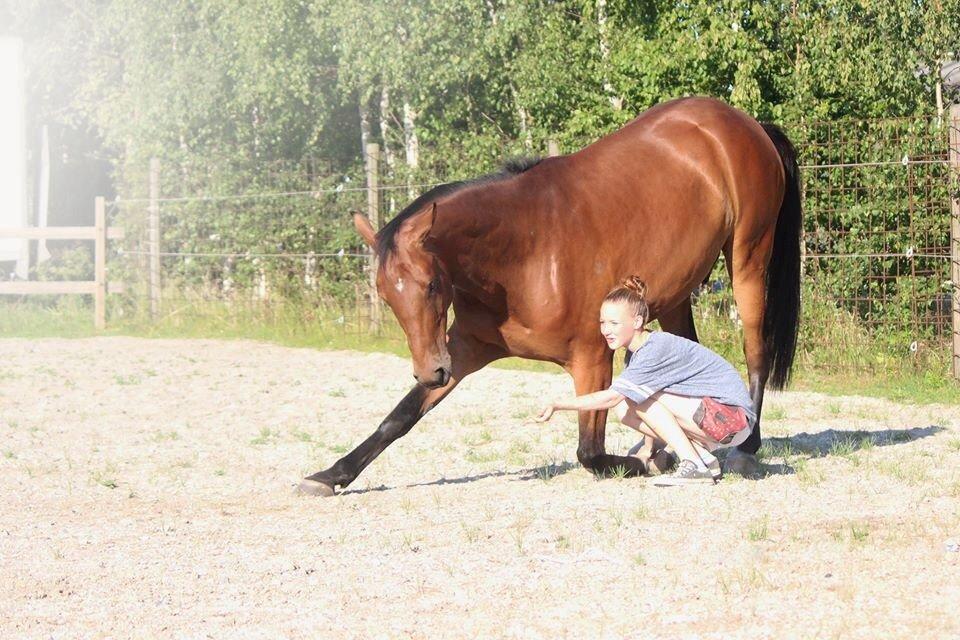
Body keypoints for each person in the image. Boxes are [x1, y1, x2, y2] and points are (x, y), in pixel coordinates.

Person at [535, 276, 756, 485]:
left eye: (614, 323)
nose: (606, 330)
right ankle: (703, 459)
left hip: (733, 420)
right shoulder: (638, 350)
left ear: (638, 321)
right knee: (625, 405)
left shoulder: (654, 349)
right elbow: (643, 401)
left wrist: (558, 404)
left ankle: (694, 463)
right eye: (603, 322)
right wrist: (648, 449)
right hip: (720, 420)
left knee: (625, 399)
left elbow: (613, 397)